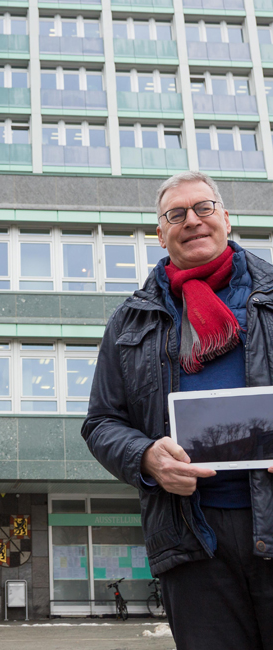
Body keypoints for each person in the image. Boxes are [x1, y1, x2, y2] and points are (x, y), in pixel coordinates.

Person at [82, 171, 273, 650]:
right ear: (160, 232)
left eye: (204, 208)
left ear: (226, 218)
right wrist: (146, 456)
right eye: (176, 214)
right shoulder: (129, 320)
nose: (192, 221)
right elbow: (101, 422)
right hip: (190, 538)